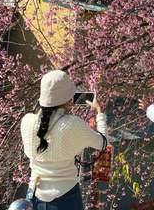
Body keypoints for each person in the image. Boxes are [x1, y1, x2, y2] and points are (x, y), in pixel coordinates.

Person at [20, 70, 107, 210]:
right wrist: (99, 112)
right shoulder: (72, 124)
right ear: (68, 98)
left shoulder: (26, 121)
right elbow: (103, 143)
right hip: (67, 198)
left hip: (36, 197)